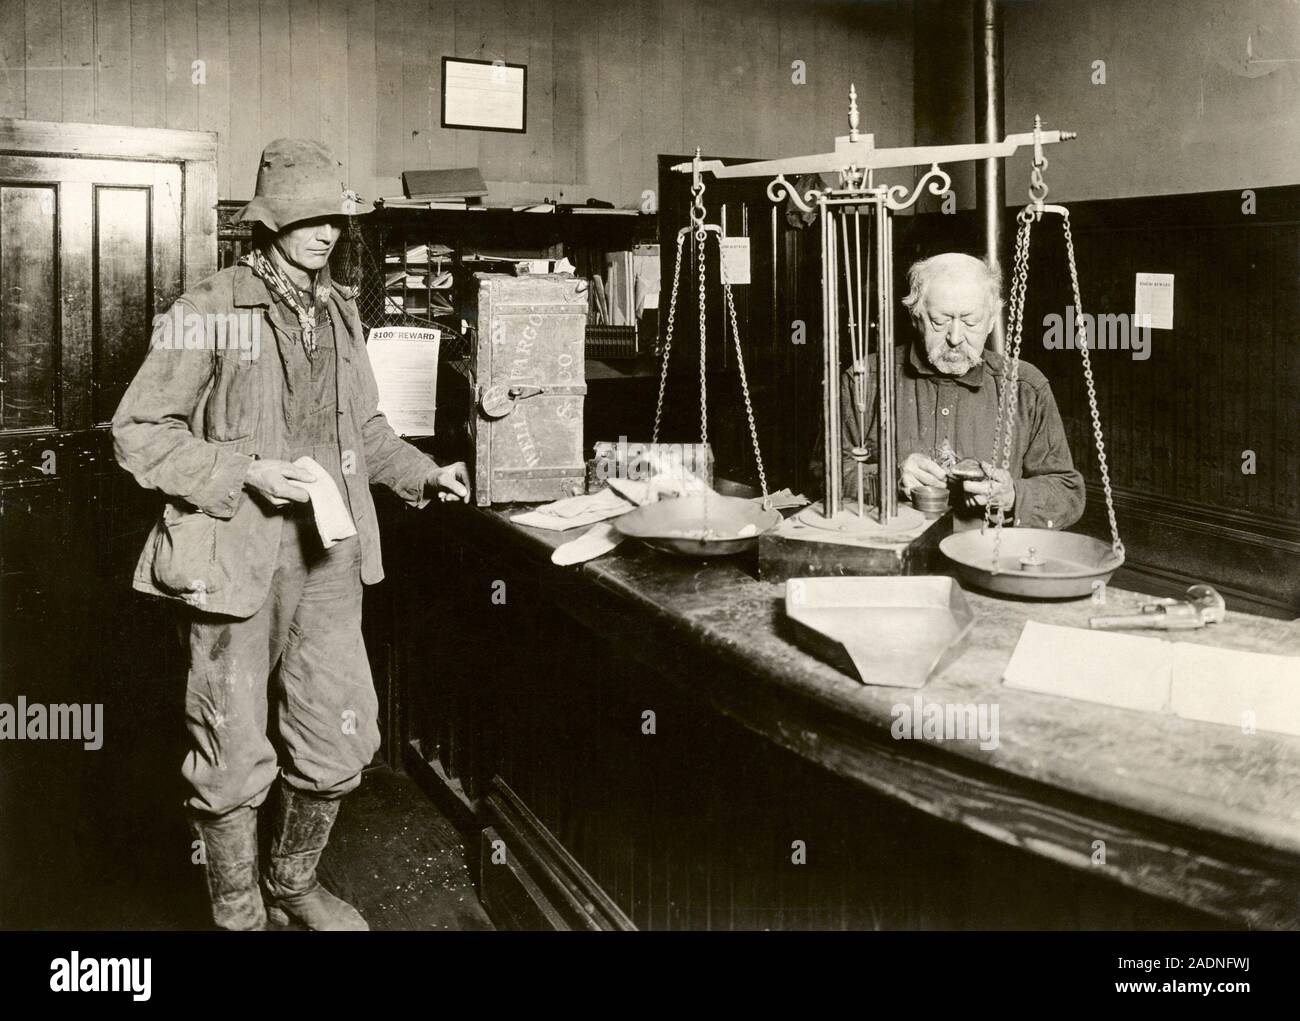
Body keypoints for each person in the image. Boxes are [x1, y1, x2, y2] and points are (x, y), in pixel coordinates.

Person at [112, 138, 470, 931]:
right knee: (232, 749)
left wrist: (423, 471)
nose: (325, 233)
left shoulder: (340, 310)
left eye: (334, 219)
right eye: (307, 219)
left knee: (342, 734)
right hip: (235, 555)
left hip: (329, 556)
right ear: (269, 223)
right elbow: (138, 431)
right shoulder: (209, 311)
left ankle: (292, 882)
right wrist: (246, 472)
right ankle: (239, 914)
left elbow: (365, 430)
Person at [840, 252, 1084, 529]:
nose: (955, 338)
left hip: (989, 559)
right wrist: (889, 477)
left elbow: (1067, 492)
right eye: (939, 321)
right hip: (893, 553)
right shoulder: (865, 379)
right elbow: (825, 474)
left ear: (991, 321)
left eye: (970, 322)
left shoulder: (1026, 386)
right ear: (916, 317)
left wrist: (1013, 495)